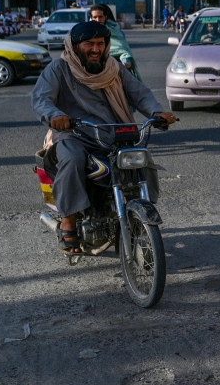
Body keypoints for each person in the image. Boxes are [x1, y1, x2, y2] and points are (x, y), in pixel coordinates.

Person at [31, 21, 176, 255]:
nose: (96, 49)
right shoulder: (58, 69)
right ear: (75, 46)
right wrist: (55, 115)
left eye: (100, 44)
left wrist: (156, 113)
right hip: (73, 134)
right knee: (72, 159)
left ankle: (140, 211)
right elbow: (41, 99)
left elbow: (139, 93)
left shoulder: (114, 67)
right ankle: (68, 222)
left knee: (141, 159)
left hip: (113, 132)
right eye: (89, 44)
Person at [88, 4, 141, 81]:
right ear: (91, 18)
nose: (98, 20)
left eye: (100, 17)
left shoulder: (115, 31)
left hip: (115, 70)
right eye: (95, 17)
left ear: (105, 17)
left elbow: (122, 49)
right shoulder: (86, 32)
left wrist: (126, 60)